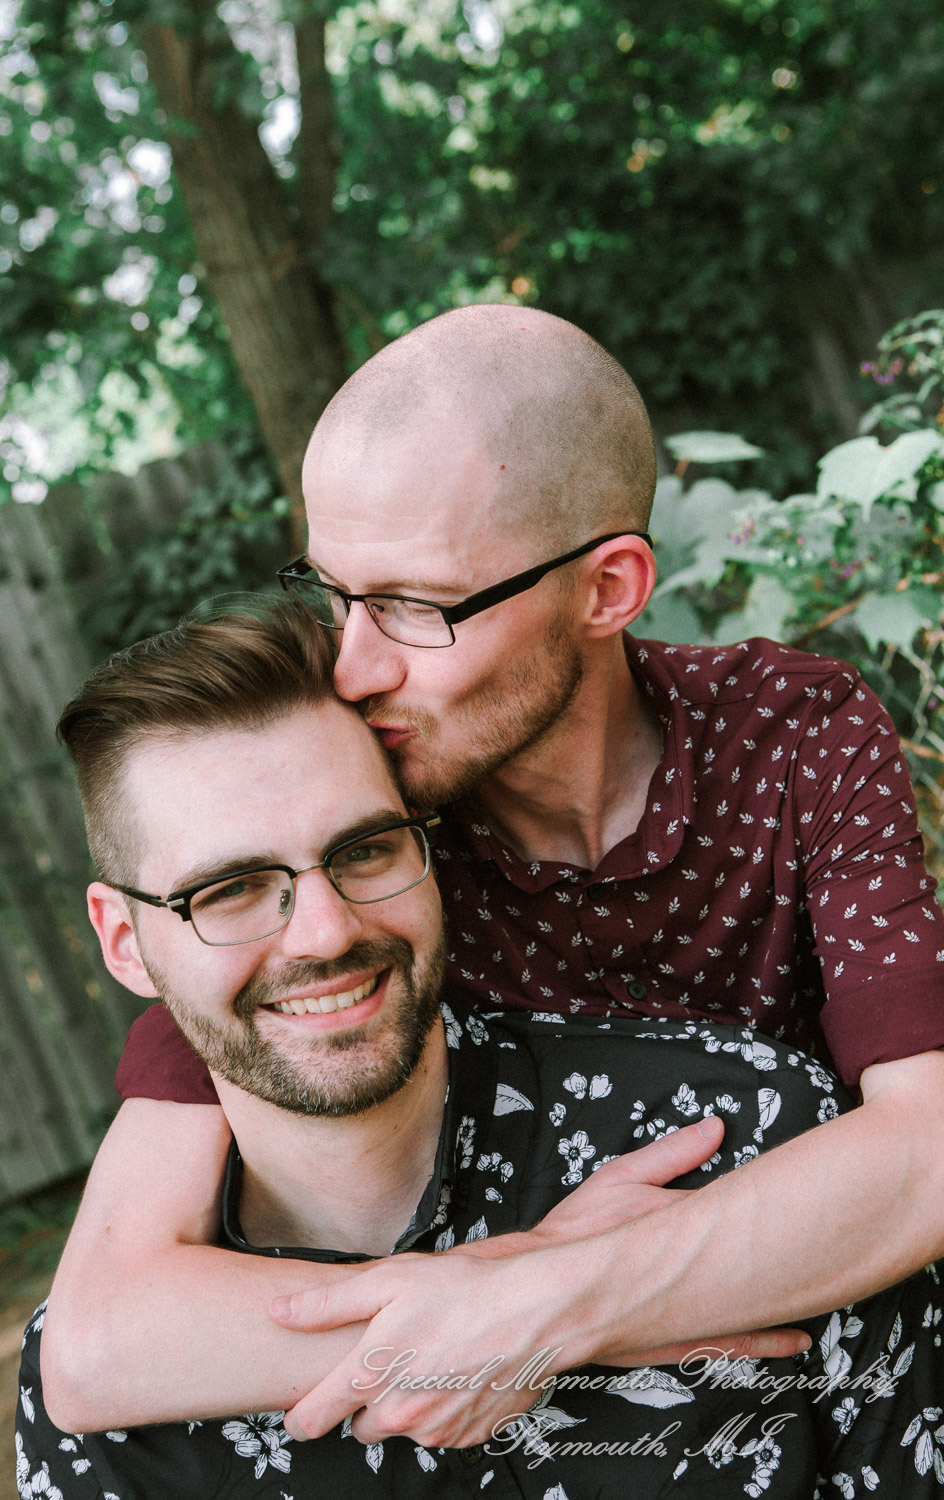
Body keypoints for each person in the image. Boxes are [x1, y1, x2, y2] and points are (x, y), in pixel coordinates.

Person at [41, 306, 944, 1449]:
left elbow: (925, 1154)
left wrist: (545, 1298)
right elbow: (97, 1339)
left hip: (821, 1375)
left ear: (608, 588)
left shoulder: (792, 733)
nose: (354, 665)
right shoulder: (347, 813)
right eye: (333, 593)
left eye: (413, 607)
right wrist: (488, 1311)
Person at [19, 602, 944, 1499]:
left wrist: (561, 1294)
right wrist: (515, 1293)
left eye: (367, 851)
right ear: (124, 942)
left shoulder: (752, 1147)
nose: (325, 933)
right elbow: (91, 1359)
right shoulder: (109, 1402)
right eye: (228, 890)